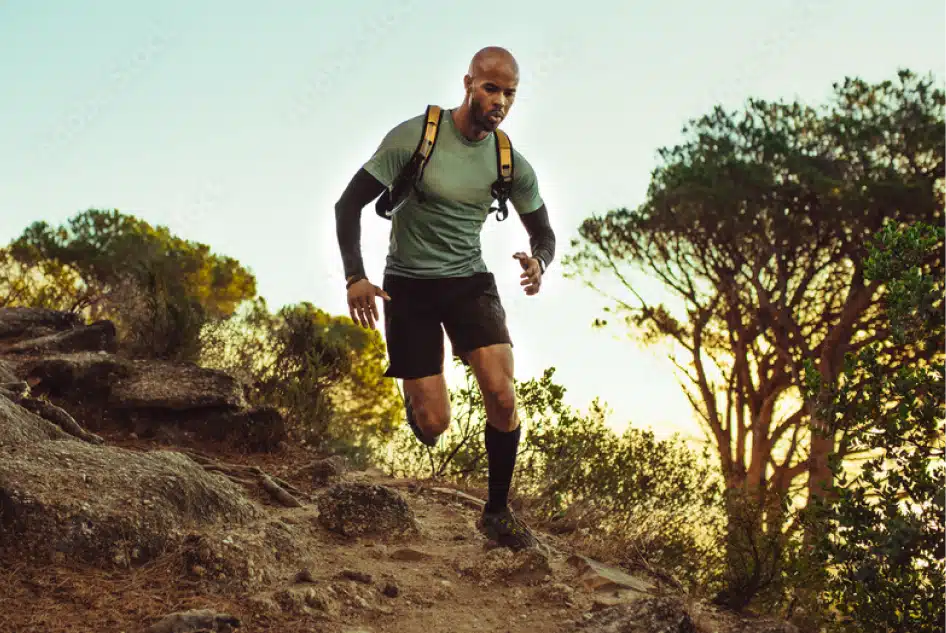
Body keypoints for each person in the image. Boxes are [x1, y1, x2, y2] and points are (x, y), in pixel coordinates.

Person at [334, 46, 555, 551]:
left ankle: (497, 513)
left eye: (510, 93)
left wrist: (539, 262)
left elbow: (544, 231)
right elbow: (348, 205)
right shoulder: (416, 138)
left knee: (501, 392)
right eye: (491, 88)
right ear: (468, 83)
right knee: (435, 423)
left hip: (468, 281)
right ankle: (422, 399)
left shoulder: (509, 162)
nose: (499, 101)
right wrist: (355, 278)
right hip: (407, 284)